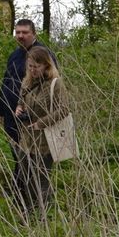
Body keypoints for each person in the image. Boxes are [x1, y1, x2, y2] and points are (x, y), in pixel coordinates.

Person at [12, 47, 70, 215]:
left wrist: (41, 123)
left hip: (45, 140)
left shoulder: (55, 84)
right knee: (26, 178)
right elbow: (21, 101)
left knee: (41, 180)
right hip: (26, 139)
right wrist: (18, 108)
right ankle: (30, 212)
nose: (32, 70)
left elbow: (64, 110)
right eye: (30, 66)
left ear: (46, 65)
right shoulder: (26, 81)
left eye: (36, 66)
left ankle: (45, 215)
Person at [0, 19, 54, 154]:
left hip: (30, 115)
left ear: (34, 34)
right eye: (18, 32)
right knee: (15, 150)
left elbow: (50, 84)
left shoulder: (43, 54)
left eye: (25, 32)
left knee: (31, 154)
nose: (20, 36)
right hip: (11, 114)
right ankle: (19, 175)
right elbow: (6, 81)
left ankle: (26, 175)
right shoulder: (14, 55)